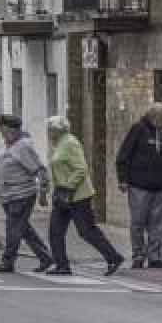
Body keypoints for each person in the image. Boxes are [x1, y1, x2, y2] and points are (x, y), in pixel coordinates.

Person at [0, 114, 54, 273]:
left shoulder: (23, 147)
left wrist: (42, 193)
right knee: (23, 229)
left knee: (13, 229)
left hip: (22, 194)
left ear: (11, 129)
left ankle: (7, 261)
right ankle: (45, 257)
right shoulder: (7, 144)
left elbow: (40, 170)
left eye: (3, 129)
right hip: (9, 195)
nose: (1, 132)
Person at [45, 116, 125, 276]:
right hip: (62, 195)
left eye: (50, 129)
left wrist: (68, 186)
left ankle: (113, 257)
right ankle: (62, 265)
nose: (48, 132)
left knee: (86, 231)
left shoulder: (70, 143)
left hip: (78, 195)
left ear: (58, 130)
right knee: (55, 231)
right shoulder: (58, 144)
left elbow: (81, 169)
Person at [116, 103, 162, 269]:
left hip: (159, 185)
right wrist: (123, 179)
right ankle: (138, 255)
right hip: (139, 184)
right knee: (138, 222)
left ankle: (154, 256)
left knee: (158, 224)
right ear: (153, 116)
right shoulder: (138, 129)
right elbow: (124, 154)